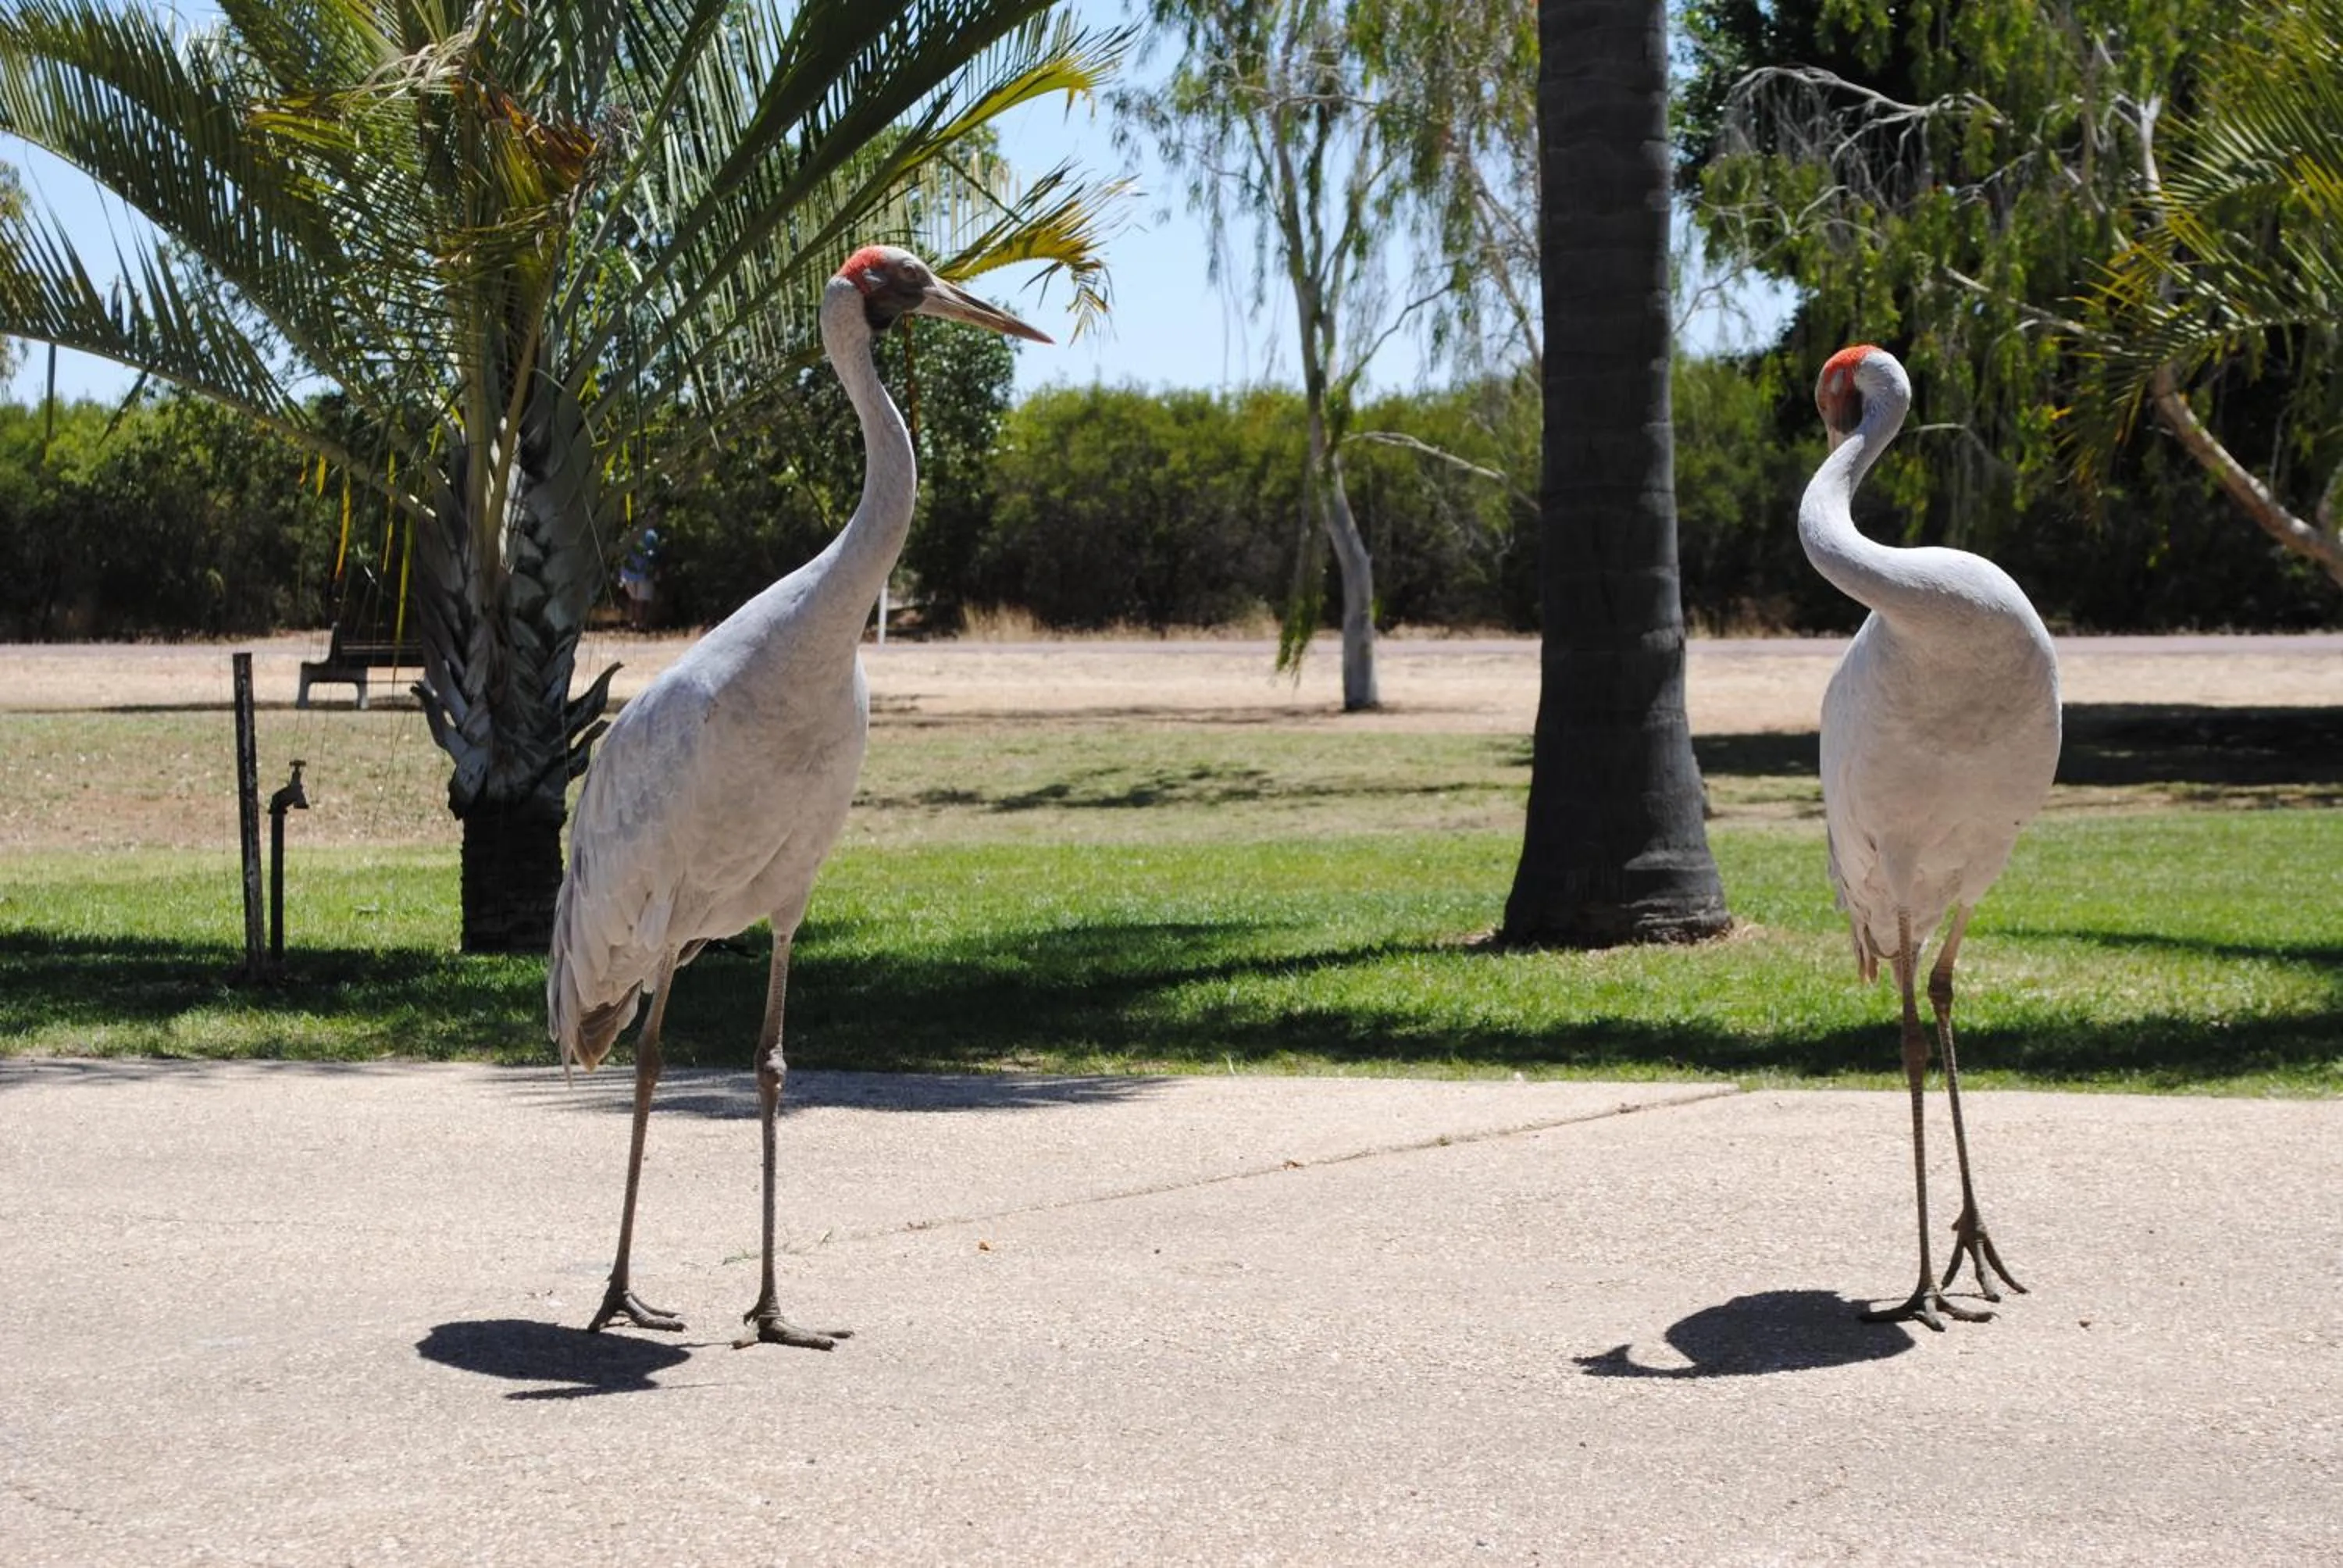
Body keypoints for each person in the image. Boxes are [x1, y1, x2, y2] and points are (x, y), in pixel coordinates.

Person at [618, 527, 660, 631]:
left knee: (633, 599)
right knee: (641, 601)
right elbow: (654, 554)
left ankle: (633, 622)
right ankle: (640, 623)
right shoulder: (651, 535)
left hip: (628, 572)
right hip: (643, 572)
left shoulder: (629, 533)